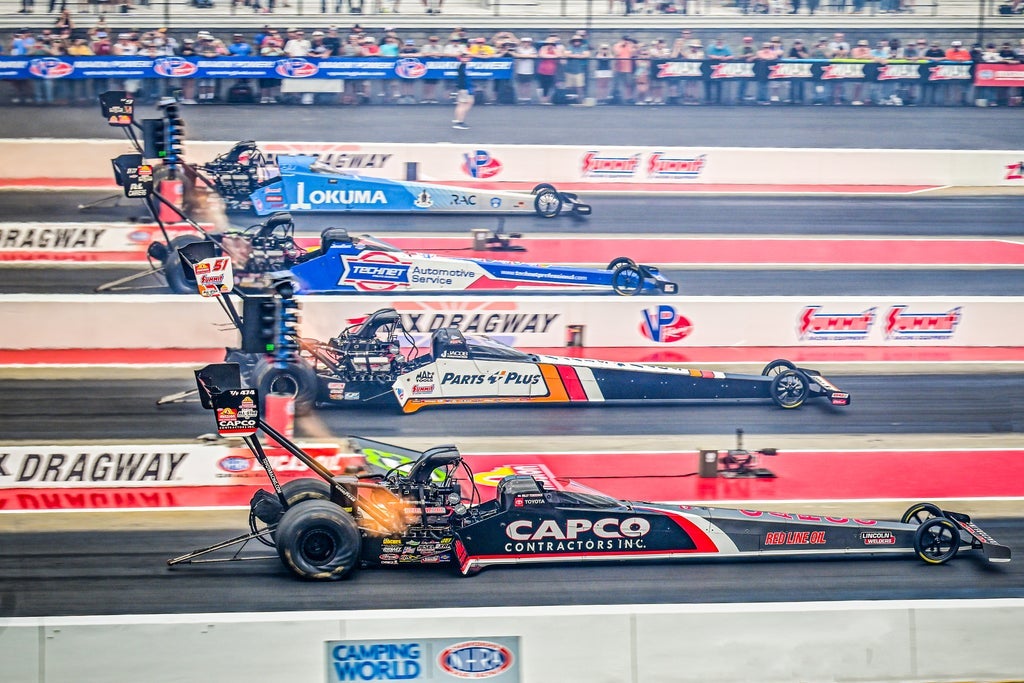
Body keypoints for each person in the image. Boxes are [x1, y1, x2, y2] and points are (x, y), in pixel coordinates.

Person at [452, 51, 473, 129]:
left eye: (467, 57)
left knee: (468, 102)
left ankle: (458, 119)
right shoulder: (462, 66)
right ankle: (460, 122)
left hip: (466, 87)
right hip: (464, 87)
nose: (465, 59)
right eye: (463, 57)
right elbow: (463, 77)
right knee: (462, 104)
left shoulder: (465, 65)